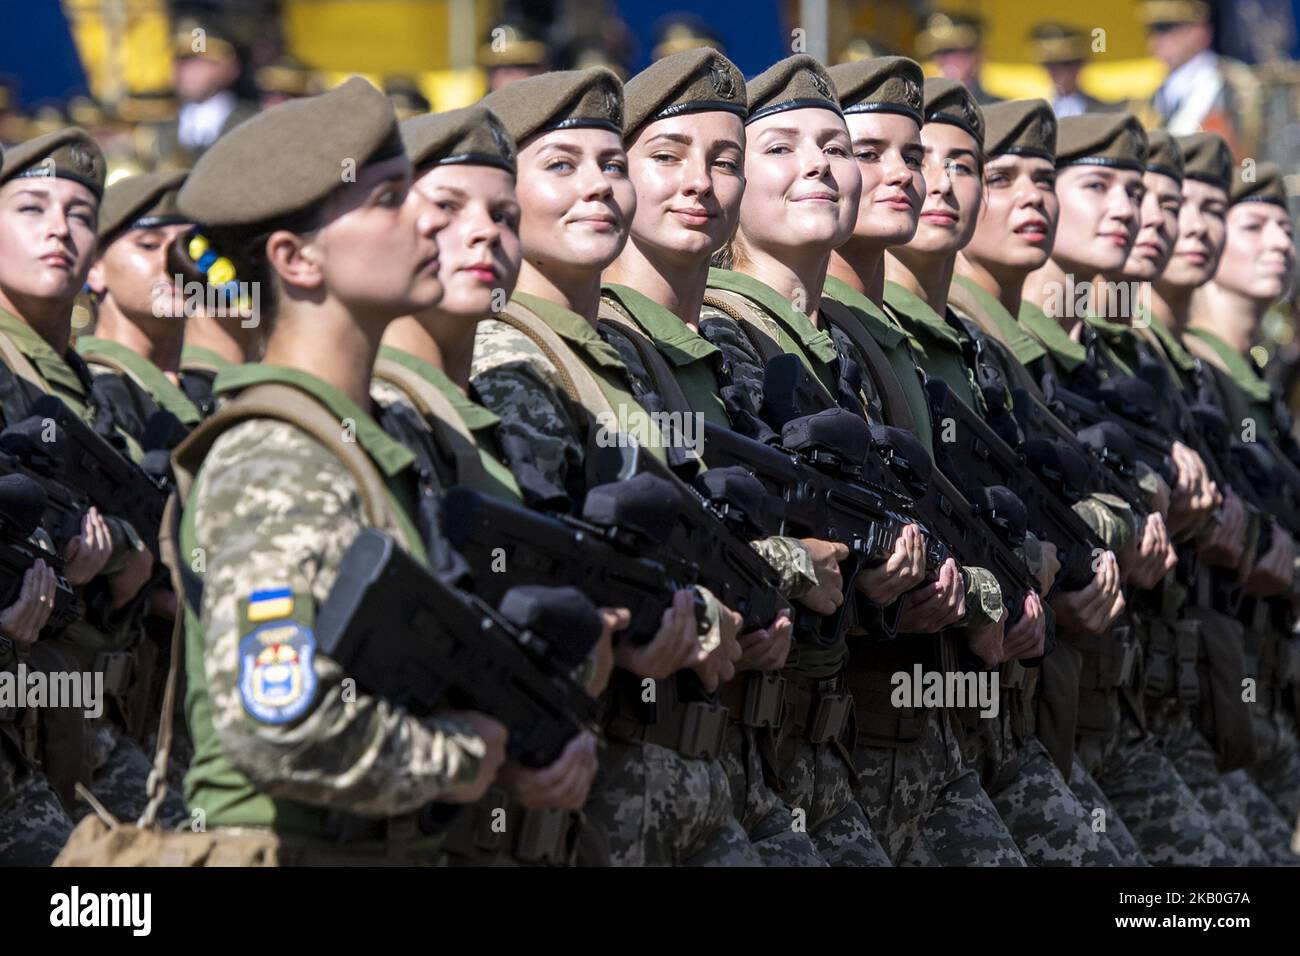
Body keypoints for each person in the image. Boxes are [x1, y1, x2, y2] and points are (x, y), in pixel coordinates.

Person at [169, 77, 507, 865]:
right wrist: (462, 758)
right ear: (296, 259)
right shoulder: (274, 456)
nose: (428, 217)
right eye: (390, 198)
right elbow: (279, 723)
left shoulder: (359, 438)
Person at [472, 67, 761, 866]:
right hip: (594, 785)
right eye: (561, 166)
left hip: (685, 774)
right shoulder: (506, 354)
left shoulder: (616, 354)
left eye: (609, 164)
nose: (597, 187)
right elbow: (542, 565)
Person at [598, 47, 880, 866]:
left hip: (753, 759)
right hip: (640, 776)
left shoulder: (717, 354)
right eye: (667, 156)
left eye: (723, 160)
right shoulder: (597, 358)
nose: (700, 183)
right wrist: (790, 569)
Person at [370, 103, 621, 865]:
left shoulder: (475, 426)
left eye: (504, 215)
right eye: (444, 208)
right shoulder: (375, 420)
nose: (484, 233)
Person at [1019, 115, 1248, 866]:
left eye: (1143, 195)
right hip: (1028, 724)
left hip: (1131, 702)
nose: (1136, 212)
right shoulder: (1007, 354)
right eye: (1100, 186)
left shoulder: (1113, 355)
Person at [0, 127, 182, 860]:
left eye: (80, 215)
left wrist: (128, 563)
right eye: (32, 209)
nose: (60, 230)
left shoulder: (94, 388)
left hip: (86, 711)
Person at [1185, 159, 1300, 838]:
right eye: (1254, 225)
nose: (1280, 242)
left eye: (1285, 227)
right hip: (1218, 697)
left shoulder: (1259, 378)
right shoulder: (1195, 378)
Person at [80, 171, 203, 438]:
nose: (175, 263)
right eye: (149, 245)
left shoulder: (207, 390)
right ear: (93, 268)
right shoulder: (88, 391)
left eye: (189, 247)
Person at [1135, 0, 1262, 156]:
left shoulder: (1237, 86)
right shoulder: (1151, 98)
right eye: (1152, 31)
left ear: (1201, 31)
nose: (1156, 41)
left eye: (1168, 29)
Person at [1027, 22, 1118, 118]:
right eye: (1049, 64)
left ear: (1081, 64)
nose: (1057, 71)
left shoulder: (1106, 113)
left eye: (1066, 63)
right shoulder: (1035, 112)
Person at [914, 11, 999, 105]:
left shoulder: (999, 109)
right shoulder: (921, 107)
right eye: (939, 52)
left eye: (953, 51)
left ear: (977, 55)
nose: (946, 60)